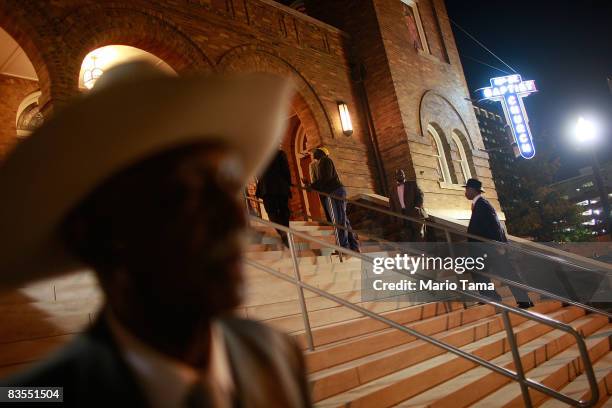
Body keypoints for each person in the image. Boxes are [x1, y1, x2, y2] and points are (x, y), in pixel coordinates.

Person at [0, 61, 311, 407]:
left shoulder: (277, 355)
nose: (236, 221)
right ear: (91, 235)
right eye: (187, 191)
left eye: (227, 184)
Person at [464, 178, 533, 308]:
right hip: (485, 248)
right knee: (481, 271)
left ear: (472, 190)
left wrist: (498, 245)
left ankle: (520, 299)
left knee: (505, 273)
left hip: (490, 248)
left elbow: (496, 225)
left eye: (466, 189)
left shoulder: (483, 204)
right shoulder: (479, 204)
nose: (465, 192)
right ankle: (493, 297)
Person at [303, 147, 359, 252]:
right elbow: (323, 180)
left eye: (315, 151)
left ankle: (344, 247)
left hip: (335, 191)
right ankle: (354, 246)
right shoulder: (320, 163)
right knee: (343, 220)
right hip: (333, 193)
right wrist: (310, 185)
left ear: (321, 153)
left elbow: (326, 178)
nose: (313, 153)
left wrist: (311, 186)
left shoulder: (325, 160)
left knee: (339, 220)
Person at [256, 149, 292, 247]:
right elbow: (286, 169)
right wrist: (288, 182)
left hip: (267, 187)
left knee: (271, 211)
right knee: (283, 210)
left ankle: (281, 233)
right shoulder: (280, 153)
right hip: (280, 186)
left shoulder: (260, 153)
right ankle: (285, 232)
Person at [389, 169, 426, 241]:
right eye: (399, 174)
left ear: (404, 175)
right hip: (402, 214)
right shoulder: (393, 189)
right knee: (406, 235)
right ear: (396, 176)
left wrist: (417, 206)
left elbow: (420, 195)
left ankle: (421, 251)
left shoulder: (412, 184)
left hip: (414, 212)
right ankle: (410, 251)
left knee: (419, 235)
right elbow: (392, 204)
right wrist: (393, 219)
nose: (401, 175)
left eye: (402, 174)